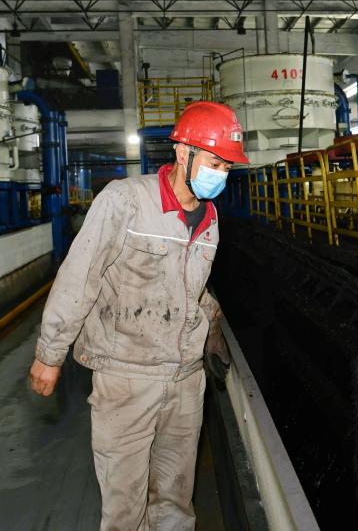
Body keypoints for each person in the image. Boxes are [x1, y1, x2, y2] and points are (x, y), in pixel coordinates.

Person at [27, 101, 248, 531]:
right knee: (125, 509)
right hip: (127, 380)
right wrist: (49, 354)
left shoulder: (211, 218)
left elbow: (192, 285)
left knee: (175, 502)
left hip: (185, 381)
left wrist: (212, 325)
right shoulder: (125, 201)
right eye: (214, 163)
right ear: (183, 153)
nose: (221, 175)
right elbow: (79, 276)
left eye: (227, 167)